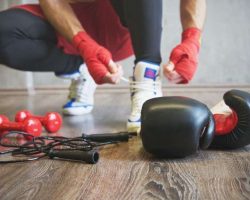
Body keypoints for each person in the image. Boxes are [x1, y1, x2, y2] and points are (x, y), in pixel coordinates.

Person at [0, 0, 206, 132]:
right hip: (64, 19)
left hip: (122, 24)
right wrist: (84, 45)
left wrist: (192, 39)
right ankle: (81, 68)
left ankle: (147, 76)